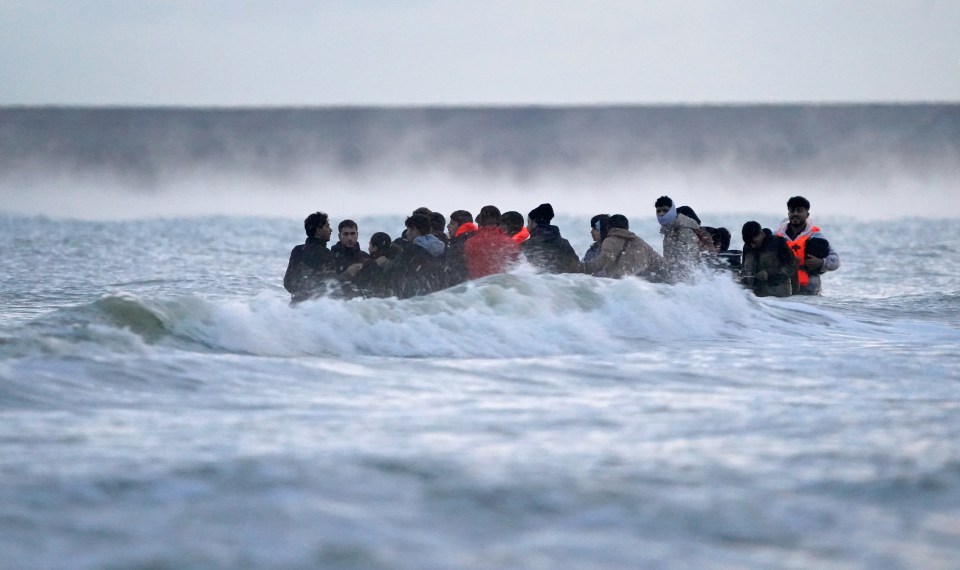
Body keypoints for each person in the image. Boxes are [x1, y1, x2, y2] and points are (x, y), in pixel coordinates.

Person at [775, 196, 840, 295]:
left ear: (807, 214)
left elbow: (836, 261)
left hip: (809, 292)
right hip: (782, 288)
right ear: (788, 214)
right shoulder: (776, 235)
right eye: (792, 211)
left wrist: (821, 262)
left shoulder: (816, 236)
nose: (795, 214)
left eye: (799, 211)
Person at [582, 214, 665, 280]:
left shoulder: (610, 243)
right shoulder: (593, 249)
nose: (591, 232)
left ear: (606, 229)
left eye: (595, 228)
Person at [383, 214, 447, 298]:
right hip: (436, 292)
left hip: (415, 294)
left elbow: (393, 271)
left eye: (408, 229)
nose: (406, 233)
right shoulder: (442, 247)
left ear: (415, 230)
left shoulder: (412, 250)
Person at [283, 211, 337, 302]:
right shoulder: (325, 253)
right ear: (318, 230)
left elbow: (287, 283)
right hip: (316, 306)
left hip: (295, 305)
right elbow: (331, 284)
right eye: (327, 226)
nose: (330, 230)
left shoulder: (298, 250)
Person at [740, 221, 798, 298]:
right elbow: (744, 268)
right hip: (754, 299)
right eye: (749, 243)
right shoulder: (747, 247)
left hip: (777, 297)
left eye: (754, 242)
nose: (752, 246)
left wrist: (769, 274)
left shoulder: (778, 243)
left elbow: (791, 267)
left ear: (761, 233)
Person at [520, 203, 580, 273]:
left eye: (529, 222)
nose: (527, 227)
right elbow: (576, 267)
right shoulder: (564, 243)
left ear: (534, 223)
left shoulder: (527, 245)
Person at [464, 205, 520, 279]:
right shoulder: (509, 243)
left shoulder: (469, 243)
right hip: (502, 286)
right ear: (499, 222)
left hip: (477, 286)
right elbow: (516, 268)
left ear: (480, 222)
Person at [655, 196, 702, 281]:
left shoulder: (685, 229)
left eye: (665, 210)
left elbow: (687, 261)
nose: (661, 214)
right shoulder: (668, 230)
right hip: (676, 277)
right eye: (658, 211)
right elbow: (670, 260)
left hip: (689, 279)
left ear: (672, 211)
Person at [352, 231, 394, 297]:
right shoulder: (393, 262)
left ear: (375, 247)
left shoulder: (369, 264)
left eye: (370, 245)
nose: (368, 247)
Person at [444, 210, 478, 286]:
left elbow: (454, 273)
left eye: (452, 223)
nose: (448, 226)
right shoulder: (477, 240)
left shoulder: (458, 245)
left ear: (461, 226)